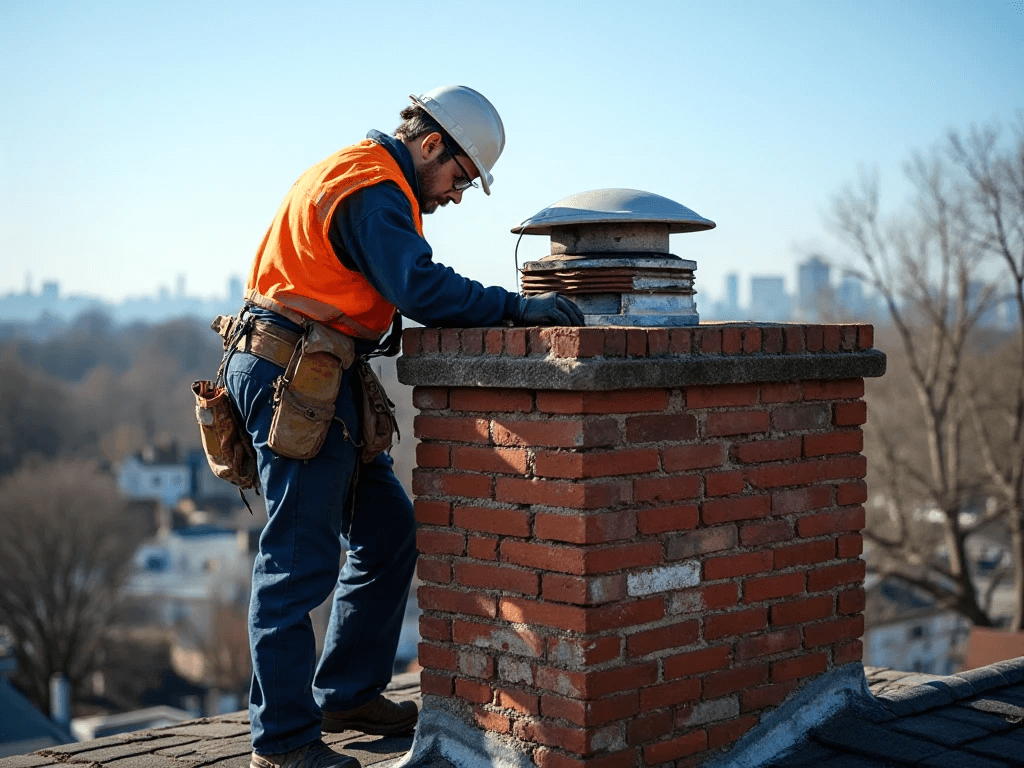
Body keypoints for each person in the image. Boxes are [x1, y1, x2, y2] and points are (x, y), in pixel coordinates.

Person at [223, 86, 584, 768]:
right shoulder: (373, 188)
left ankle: (348, 692)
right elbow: (419, 289)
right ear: (430, 144)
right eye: (458, 176)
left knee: (387, 533)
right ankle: (282, 743)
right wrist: (514, 310)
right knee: (296, 565)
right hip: (292, 376)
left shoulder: (364, 172)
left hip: (315, 370)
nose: (454, 193)